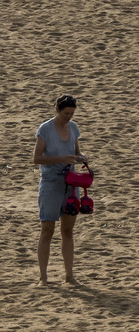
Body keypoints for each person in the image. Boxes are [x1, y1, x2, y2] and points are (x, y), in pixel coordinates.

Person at [34, 95, 89, 286]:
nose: (69, 117)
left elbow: (76, 152)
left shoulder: (73, 127)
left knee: (68, 230)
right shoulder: (45, 129)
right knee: (47, 230)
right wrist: (61, 159)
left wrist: (81, 158)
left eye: (72, 114)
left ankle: (69, 276)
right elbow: (37, 158)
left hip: (70, 184)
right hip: (50, 184)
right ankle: (43, 278)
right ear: (57, 110)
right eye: (66, 113)